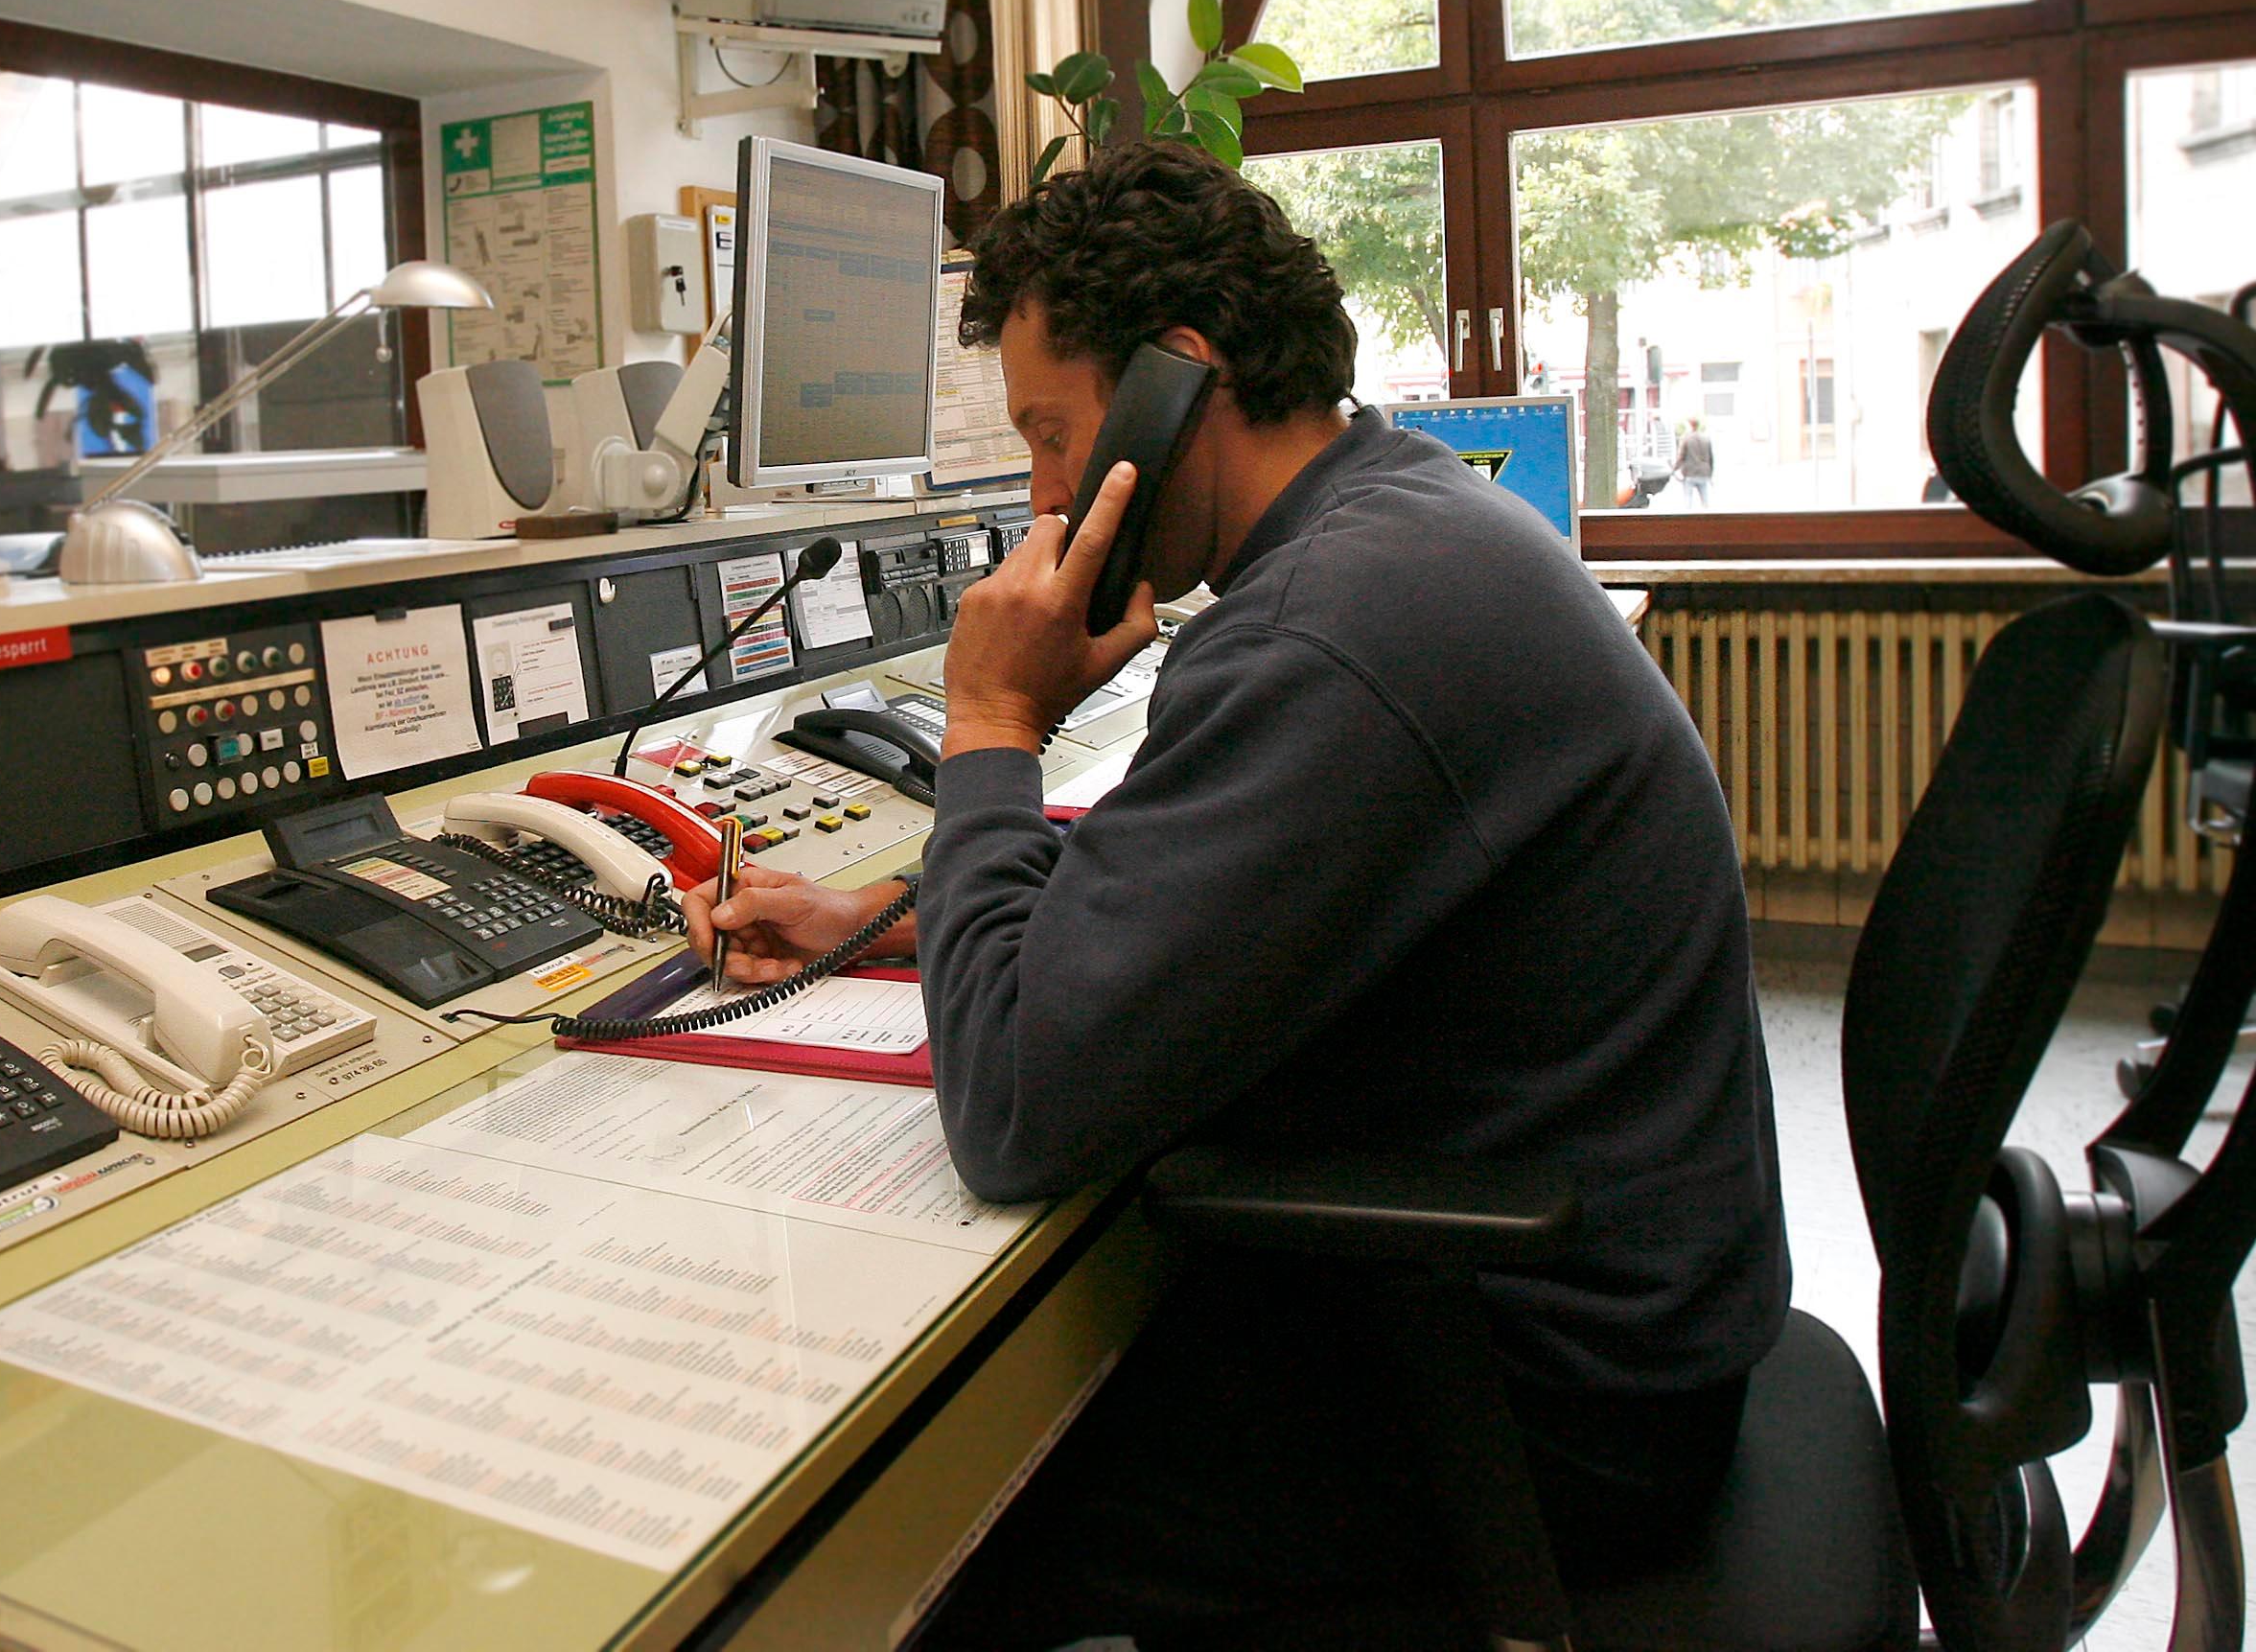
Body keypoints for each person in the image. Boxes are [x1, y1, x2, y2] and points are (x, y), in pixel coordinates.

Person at [682, 144, 1786, 1647]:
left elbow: (1015, 1112)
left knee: (898, 1516)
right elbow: (1192, 904)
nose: (1043, 494)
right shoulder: (1389, 527)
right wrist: (893, 918)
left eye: (1052, 435)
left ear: (1175, 381)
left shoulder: (1326, 632)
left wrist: (992, 724)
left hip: (1543, 1411)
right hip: (1604, 1323)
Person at [1675, 415, 1716, 506]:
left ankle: (1688, 515)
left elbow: (1681, 457)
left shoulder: (1686, 439)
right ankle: (1706, 513)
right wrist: (1710, 474)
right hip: (1704, 472)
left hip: (1690, 473)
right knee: (1705, 499)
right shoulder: (1706, 438)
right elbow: (1711, 458)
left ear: (1690, 425)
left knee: (1688, 499)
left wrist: (1674, 469)